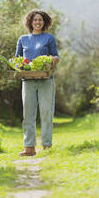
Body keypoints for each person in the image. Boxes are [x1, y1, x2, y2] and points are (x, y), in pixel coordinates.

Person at [15, 9, 59, 156]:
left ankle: (47, 146)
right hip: (28, 81)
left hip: (46, 80)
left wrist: (53, 61)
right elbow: (17, 59)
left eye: (40, 20)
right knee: (28, 115)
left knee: (46, 113)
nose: (38, 22)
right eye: (35, 20)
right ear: (30, 22)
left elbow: (55, 56)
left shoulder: (49, 38)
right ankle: (29, 148)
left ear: (44, 22)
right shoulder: (23, 39)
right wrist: (18, 65)